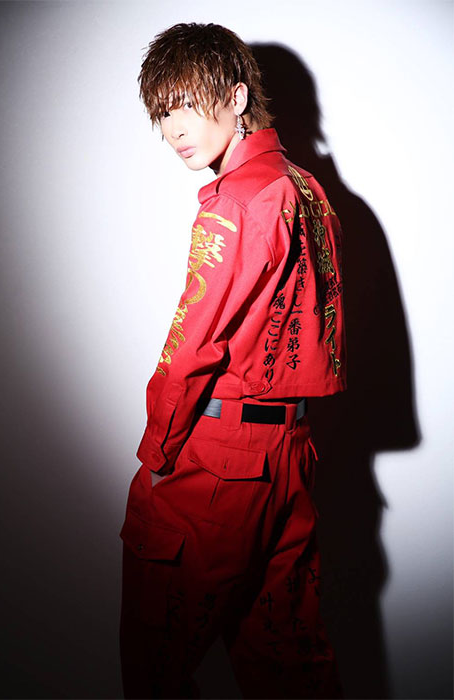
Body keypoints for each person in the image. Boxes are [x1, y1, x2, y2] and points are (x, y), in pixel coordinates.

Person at [119, 22, 346, 700]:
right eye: (162, 113)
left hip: (221, 464)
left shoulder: (239, 200)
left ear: (238, 96)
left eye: (185, 104)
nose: (172, 130)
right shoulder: (307, 188)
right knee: (288, 664)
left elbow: (193, 342)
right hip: (291, 455)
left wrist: (159, 454)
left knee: (156, 662)